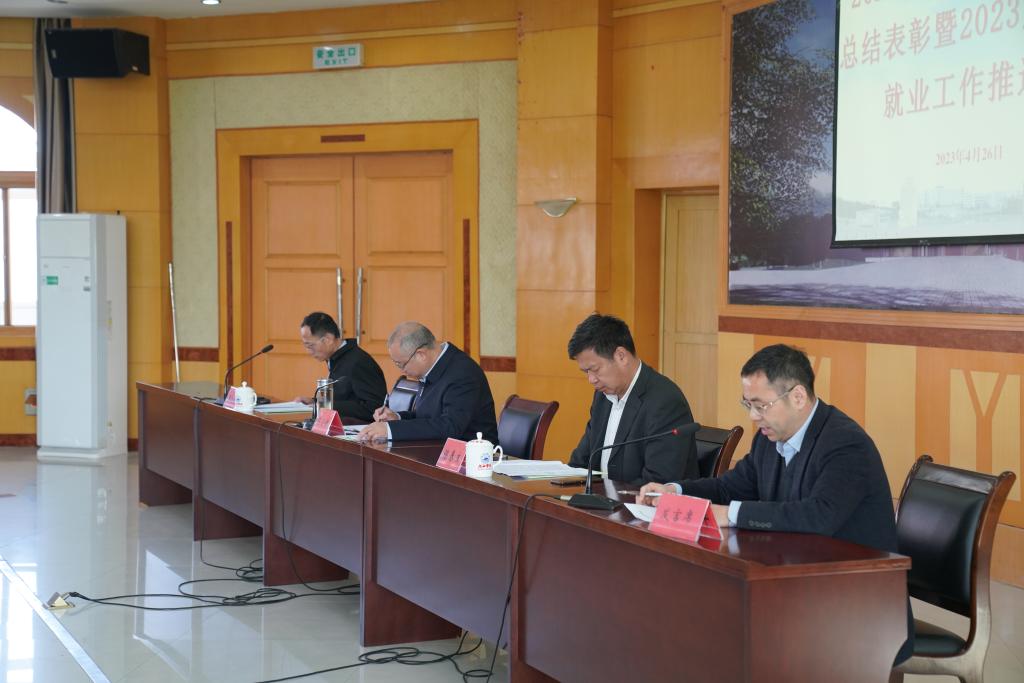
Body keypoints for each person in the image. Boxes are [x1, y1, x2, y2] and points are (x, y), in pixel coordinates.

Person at [638, 343, 913, 663]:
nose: (753, 417)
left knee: (738, 631)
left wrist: (732, 514)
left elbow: (818, 515)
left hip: (858, 599)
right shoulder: (769, 437)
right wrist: (676, 490)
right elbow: (731, 486)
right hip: (795, 581)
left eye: (761, 405)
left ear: (797, 397)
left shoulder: (845, 443)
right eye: (748, 404)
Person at [567, 313, 697, 485]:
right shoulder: (603, 396)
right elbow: (580, 462)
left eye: (595, 369)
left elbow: (657, 483)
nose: (591, 379)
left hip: (640, 501)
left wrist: (604, 496)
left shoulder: (665, 402)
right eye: (586, 372)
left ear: (621, 356)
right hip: (602, 499)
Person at [358, 321, 498, 443]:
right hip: (437, 451)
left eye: (401, 364)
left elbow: (450, 427)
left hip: (474, 458)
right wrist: (397, 418)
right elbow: (426, 417)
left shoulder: (463, 373)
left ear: (421, 355)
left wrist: (389, 430)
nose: (402, 371)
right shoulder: (434, 367)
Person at [298, 312, 386, 422]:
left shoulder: (358, 362)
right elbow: (345, 398)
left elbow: (374, 407)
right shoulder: (337, 358)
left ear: (328, 339)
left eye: (310, 345)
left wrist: (327, 406)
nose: (309, 352)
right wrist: (315, 402)